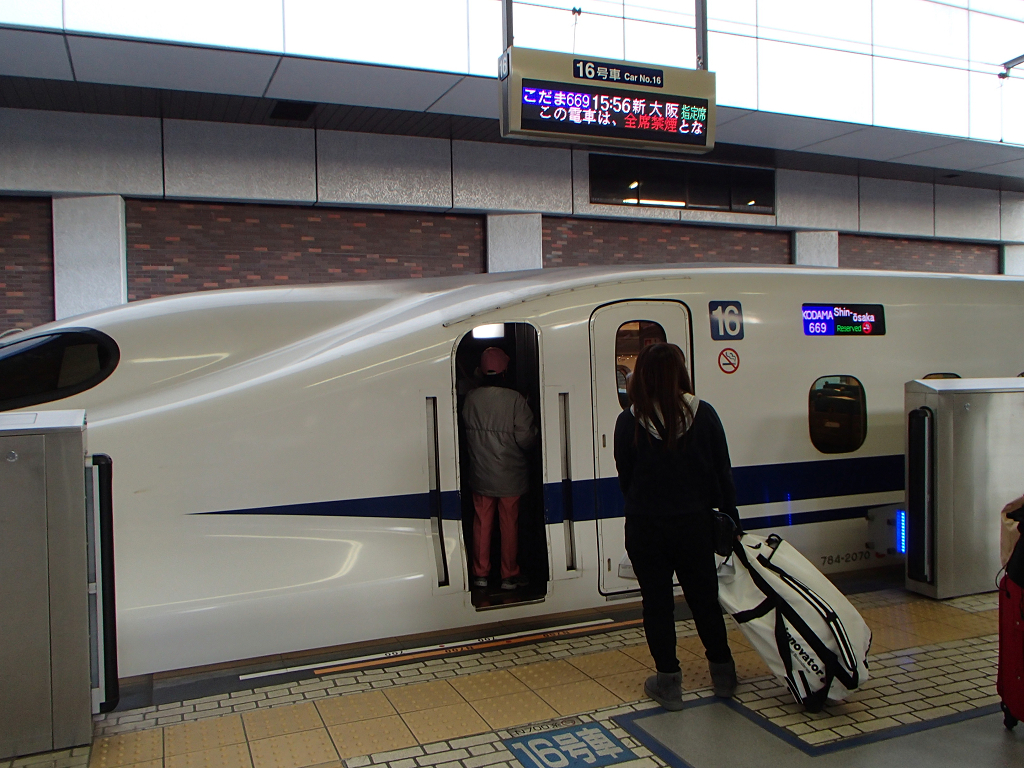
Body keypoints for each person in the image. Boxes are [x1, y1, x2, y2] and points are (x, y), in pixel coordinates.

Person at [613, 342, 740, 709]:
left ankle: (668, 683)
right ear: (680, 372)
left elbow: (626, 477)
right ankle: (723, 674)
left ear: (642, 377)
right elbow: (723, 473)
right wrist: (731, 520)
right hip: (694, 524)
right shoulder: (704, 414)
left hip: (646, 527)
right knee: (704, 600)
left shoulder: (629, 421)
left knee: (657, 605)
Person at [462, 346, 538, 591]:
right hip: (510, 476)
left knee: (482, 523)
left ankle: (480, 574)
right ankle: (509, 575)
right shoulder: (515, 400)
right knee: (509, 524)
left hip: (480, 474)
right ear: (505, 371)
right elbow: (526, 439)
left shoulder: (471, 398)